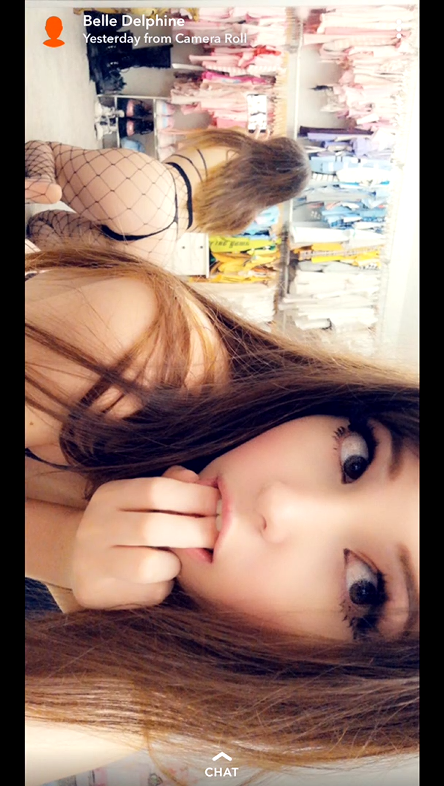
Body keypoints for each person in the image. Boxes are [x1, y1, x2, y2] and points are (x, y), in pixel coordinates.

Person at [25, 245, 419, 785]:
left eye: (363, 588)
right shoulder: (143, 354)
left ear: (335, 680)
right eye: (357, 460)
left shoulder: (159, 685)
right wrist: (58, 545)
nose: (282, 503)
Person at [24, 128, 311, 265]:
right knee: (43, 225)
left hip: (153, 185)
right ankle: (35, 256)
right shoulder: (244, 215)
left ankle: (44, 183)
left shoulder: (236, 145)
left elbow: (183, 149)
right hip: (156, 245)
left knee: (44, 150)